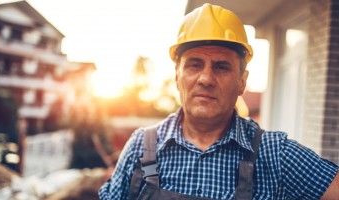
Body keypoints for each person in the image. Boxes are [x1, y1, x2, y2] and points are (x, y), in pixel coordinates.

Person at [99, 3, 339, 200]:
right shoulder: (141, 146)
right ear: (177, 76)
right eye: (194, 64)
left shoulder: (276, 153)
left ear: (241, 82)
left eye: (221, 67)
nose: (206, 78)